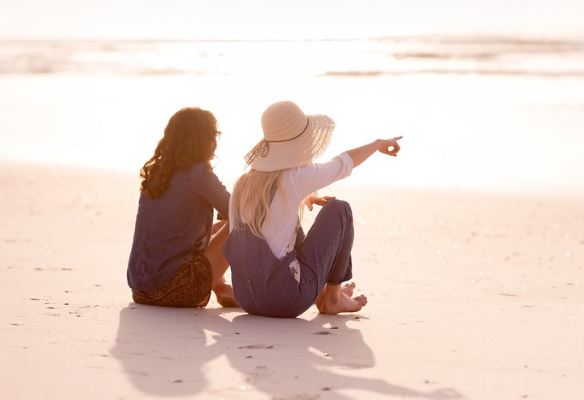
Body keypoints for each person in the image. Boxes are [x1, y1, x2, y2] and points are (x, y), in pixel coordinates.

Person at [222, 100, 402, 317]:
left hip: (246, 299)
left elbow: (267, 230)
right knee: (340, 210)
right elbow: (343, 163)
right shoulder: (294, 178)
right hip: (285, 301)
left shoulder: (242, 185)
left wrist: (302, 197)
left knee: (287, 227)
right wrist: (377, 144)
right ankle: (333, 300)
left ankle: (322, 292)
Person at [127, 107, 236, 308]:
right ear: (203, 140)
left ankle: (222, 289)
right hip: (174, 288)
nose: (215, 143)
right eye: (214, 136)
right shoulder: (198, 175)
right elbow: (239, 213)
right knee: (243, 224)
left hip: (141, 290)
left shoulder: (157, 172)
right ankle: (244, 289)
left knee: (213, 229)